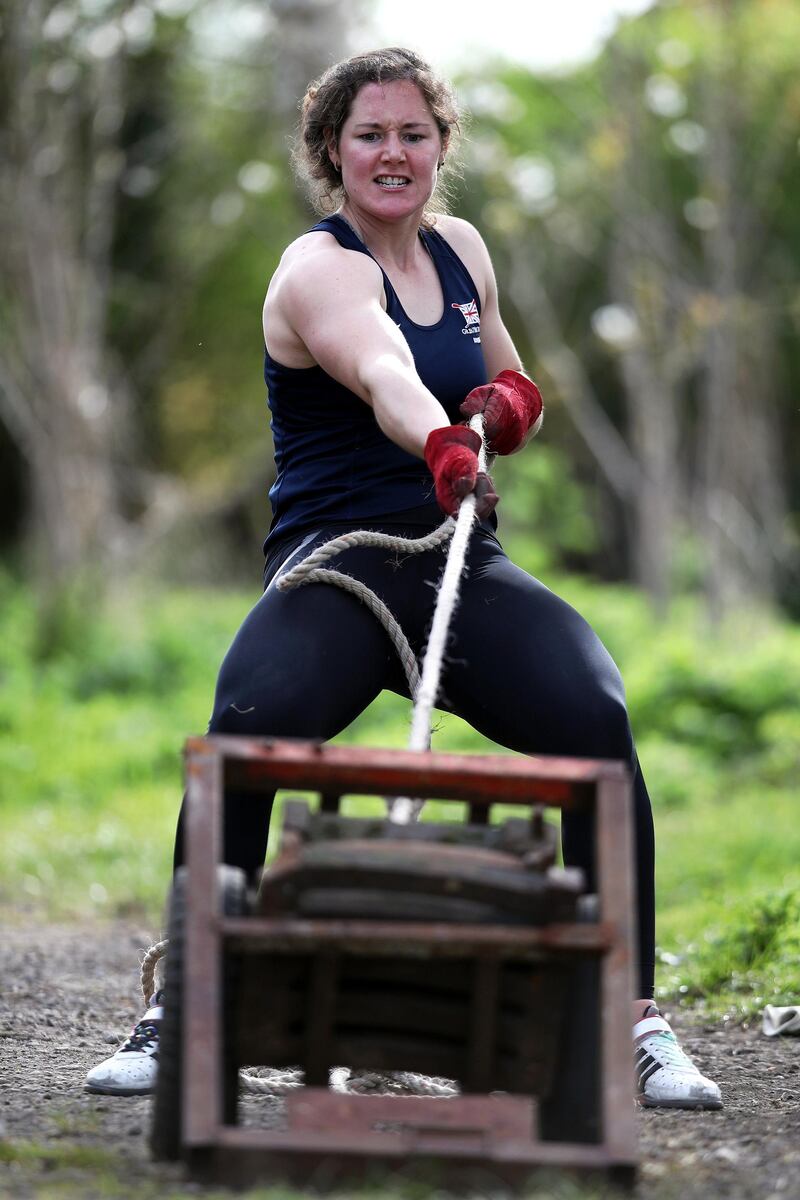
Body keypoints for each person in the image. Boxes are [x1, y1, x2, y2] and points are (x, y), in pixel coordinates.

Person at [86, 47, 721, 1111]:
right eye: (370, 134)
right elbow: (382, 367)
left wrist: (510, 403)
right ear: (331, 151)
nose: (393, 152)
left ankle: (629, 1017)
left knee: (596, 719)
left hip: (456, 566)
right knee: (246, 719)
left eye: (412, 133)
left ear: (440, 145)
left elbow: (504, 370)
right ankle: (189, 1001)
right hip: (339, 567)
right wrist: (439, 440)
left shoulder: (462, 250)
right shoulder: (316, 269)